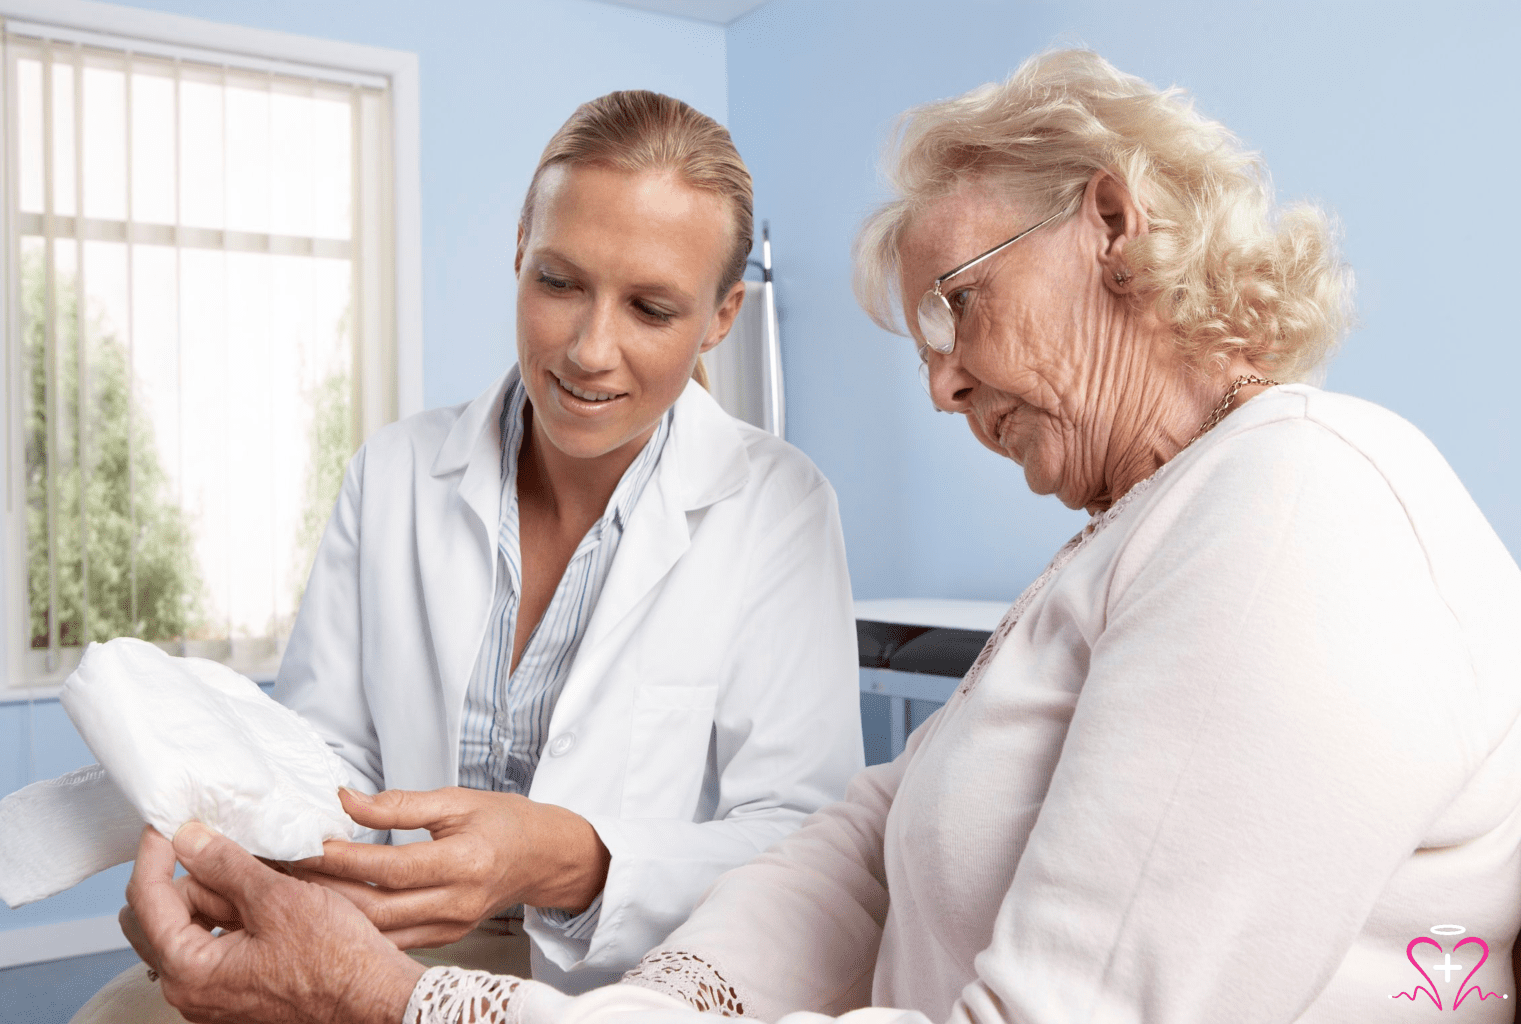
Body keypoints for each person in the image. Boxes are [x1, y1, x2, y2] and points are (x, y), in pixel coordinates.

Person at [124, 49, 1521, 1023]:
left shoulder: (1295, 512)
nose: (939, 379)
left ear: (1110, 222)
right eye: (559, 283)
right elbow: (860, 838)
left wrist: (427, 995)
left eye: (958, 304)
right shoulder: (1137, 533)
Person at [91, 89, 862, 1021]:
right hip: (381, 930)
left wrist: (572, 857)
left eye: (652, 308)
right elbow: (325, 749)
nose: (589, 349)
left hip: (628, 975)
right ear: (519, 256)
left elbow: (805, 846)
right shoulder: (398, 470)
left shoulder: (778, 507)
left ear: (722, 316)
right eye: (559, 282)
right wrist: (258, 864)